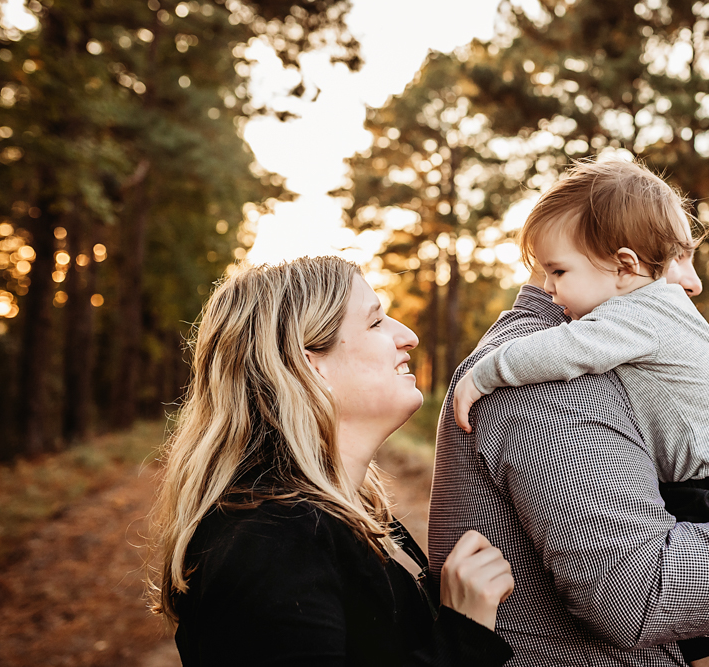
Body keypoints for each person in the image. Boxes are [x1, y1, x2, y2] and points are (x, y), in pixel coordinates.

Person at [429, 164, 709, 665]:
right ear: (622, 263)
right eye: (678, 256)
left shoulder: (609, 346)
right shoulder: (550, 379)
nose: (693, 283)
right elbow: (641, 597)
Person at [145, 256, 515, 666]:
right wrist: (464, 636)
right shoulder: (272, 543)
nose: (407, 336)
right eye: (375, 323)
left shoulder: (324, 521)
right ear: (309, 363)